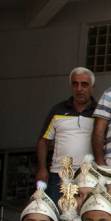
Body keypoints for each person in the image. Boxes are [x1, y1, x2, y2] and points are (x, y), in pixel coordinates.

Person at [36, 67, 97, 202]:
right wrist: (42, 169)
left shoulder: (99, 112)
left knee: (86, 219)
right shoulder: (58, 110)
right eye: (75, 84)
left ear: (92, 87)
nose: (79, 88)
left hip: (89, 176)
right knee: (56, 216)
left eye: (84, 84)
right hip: (58, 175)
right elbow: (43, 141)